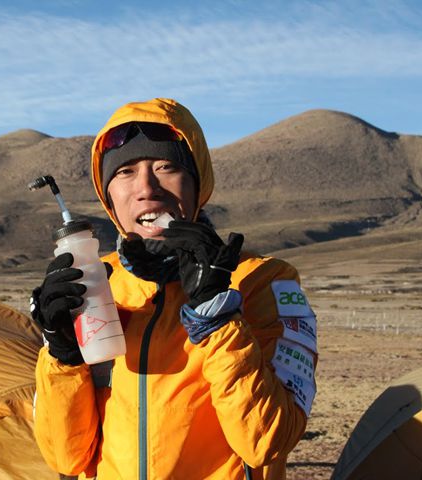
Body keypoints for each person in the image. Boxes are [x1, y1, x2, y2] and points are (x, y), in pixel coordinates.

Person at [29, 98, 317, 479]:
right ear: (108, 196)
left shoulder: (264, 281)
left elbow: (266, 442)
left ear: (199, 184)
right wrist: (62, 354)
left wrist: (217, 317)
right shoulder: (95, 285)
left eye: (167, 167)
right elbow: (66, 458)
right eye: (126, 172)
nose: (146, 188)